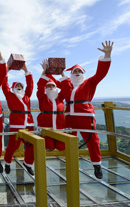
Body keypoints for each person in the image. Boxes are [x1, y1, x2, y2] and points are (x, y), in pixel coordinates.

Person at [63, 40, 114, 179]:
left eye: (80, 71)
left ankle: (97, 165)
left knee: (93, 140)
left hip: (85, 116)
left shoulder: (89, 82)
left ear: (83, 73)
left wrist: (107, 55)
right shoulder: (67, 85)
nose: (77, 73)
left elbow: (101, 73)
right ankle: (70, 163)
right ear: (71, 74)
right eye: (75, 71)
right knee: (69, 141)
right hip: (69, 117)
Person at [2, 63, 35, 175]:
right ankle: (7, 162)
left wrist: (26, 69)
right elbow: (4, 84)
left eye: (21, 85)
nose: (19, 87)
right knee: (12, 146)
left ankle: (28, 163)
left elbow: (30, 85)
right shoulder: (10, 96)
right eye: (17, 86)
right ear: (13, 88)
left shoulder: (27, 95)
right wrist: (6, 71)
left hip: (29, 124)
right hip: (16, 126)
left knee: (31, 146)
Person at [36, 60, 68, 152]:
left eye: (53, 86)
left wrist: (62, 74)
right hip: (46, 127)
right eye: (48, 86)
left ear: (56, 88)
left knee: (62, 147)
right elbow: (40, 86)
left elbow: (67, 87)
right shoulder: (42, 97)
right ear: (45, 88)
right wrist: (44, 72)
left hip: (59, 126)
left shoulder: (60, 97)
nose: (50, 87)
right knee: (49, 147)